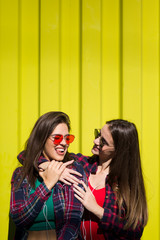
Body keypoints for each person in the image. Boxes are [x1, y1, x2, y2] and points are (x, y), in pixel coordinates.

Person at [10, 111, 86, 240]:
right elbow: (19, 218)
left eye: (67, 138)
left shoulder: (73, 169)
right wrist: (47, 184)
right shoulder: (22, 174)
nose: (64, 143)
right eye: (57, 138)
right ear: (42, 139)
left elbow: (73, 220)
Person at [72, 119, 148, 240]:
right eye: (98, 135)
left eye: (103, 142)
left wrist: (98, 210)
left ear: (118, 150)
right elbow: (42, 155)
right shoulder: (81, 164)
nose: (95, 141)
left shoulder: (126, 183)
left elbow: (135, 231)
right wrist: (45, 165)